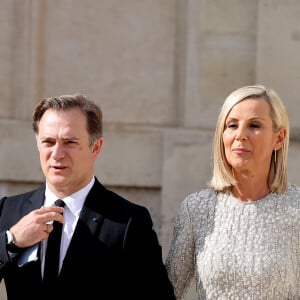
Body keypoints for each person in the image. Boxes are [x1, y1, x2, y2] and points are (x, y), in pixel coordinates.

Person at [0, 93, 176, 300]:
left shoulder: (128, 221)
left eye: (70, 142)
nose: (57, 154)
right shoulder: (8, 210)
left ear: (96, 148)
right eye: (48, 141)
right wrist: (11, 241)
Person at [165, 84, 300, 299]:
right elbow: (167, 290)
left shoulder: (297, 209)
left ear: (279, 138)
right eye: (232, 125)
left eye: (254, 125)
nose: (240, 135)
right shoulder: (196, 209)